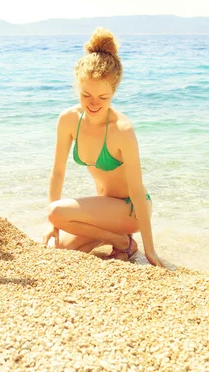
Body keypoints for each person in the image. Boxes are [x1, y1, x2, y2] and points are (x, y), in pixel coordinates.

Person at [43, 28, 164, 267]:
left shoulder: (122, 129)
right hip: (105, 209)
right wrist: (51, 228)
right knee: (62, 249)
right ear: (77, 87)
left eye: (103, 97)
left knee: (56, 212)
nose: (94, 103)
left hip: (131, 210)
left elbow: (138, 191)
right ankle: (117, 240)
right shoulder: (68, 120)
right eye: (86, 94)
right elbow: (57, 172)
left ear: (114, 92)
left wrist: (151, 251)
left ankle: (123, 240)